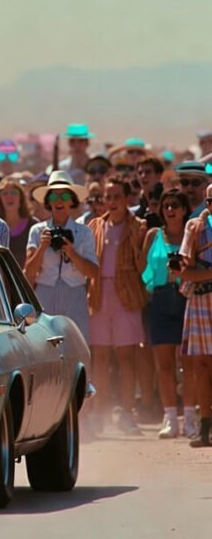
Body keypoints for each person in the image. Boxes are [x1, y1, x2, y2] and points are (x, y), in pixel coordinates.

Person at [87, 176, 149, 435]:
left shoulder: (138, 226)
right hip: (100, 292)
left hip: (127, 293)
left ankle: (126, 411)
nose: (111, 202)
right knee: (100, 356)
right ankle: (100, 411)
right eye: (107, 197)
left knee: (126, 356)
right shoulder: (95, 226)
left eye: (116, 197)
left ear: (126, 199)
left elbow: (142, 264)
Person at [141, 188, 196, 439]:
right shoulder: (154, 235)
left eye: (175, 205)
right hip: (160, 300)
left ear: (184, 209)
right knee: (163, 365)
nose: (170, 210)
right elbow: (143, 269)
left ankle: (191, 418)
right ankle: (171, 417)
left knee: (189, 364)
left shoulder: (193, 234)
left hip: (187, 298)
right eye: (166, 206)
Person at [24, 172, 98, 341]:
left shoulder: (84, 232)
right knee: (43, 344)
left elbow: (94, 273)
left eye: (64, 195)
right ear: (48, 201)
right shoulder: (37, 231)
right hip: (45, 292)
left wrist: (71, 252)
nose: (59, 200)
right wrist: (42, 247)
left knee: (77, 344)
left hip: (75, 293)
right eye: (54, 196)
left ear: (72, 200)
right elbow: (29, 272)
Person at [179, 182, 212, 447]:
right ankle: (204, 426)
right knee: (201, 367)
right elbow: (182, 270)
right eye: (210, 202)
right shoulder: (195, 228)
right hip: (201, 298)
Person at [0, 178, 38, 267]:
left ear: (21, 198)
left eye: (14, 193)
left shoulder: (33, 225)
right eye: (4, 193)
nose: (9, 197)